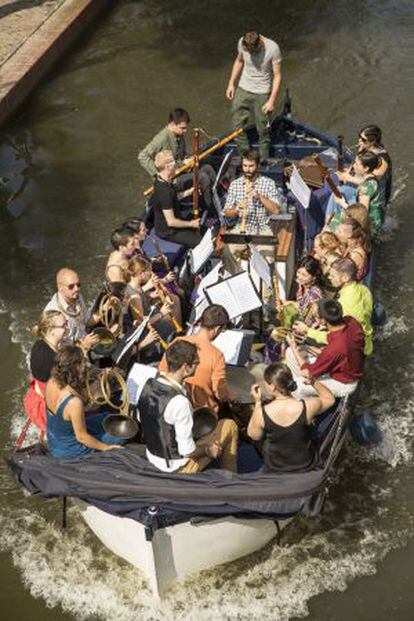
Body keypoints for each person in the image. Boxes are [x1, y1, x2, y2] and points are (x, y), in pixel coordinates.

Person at [138, 340, 238, 473]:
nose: (198, 366)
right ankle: (230, 478)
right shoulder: (179, 402)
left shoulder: (147, 384)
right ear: (186, 367)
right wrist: (208, 450)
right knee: (229, 425)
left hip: (152, 457)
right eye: (197, 363)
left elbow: (142, 418)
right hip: (176, 468)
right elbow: (187, 452)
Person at [247, 363, 335, 473]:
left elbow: (254, 435)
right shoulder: (307, 406)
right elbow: (330, 399)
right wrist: (313, 381)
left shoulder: (262, 413)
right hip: (306, 466)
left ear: (272, 386)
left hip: (276, 469)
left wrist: (257, 402)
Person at [45, 346, 124, 459]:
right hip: (69, 449)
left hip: (56, 437)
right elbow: (82, 437)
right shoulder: (74, 403)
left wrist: (100, 373)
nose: (85, 365)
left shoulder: (51, 381)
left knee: (106, 417)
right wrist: (106, 448)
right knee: (120, 436)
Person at [138, 108, 216, 211]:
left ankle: (215, 199)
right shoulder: (161, 139)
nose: (185, 131)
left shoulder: (179, 135)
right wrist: (158, 174)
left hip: (181, 171)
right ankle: (208, 211)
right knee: (202, 177)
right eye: (182, 128)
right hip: (171, 179)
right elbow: (142, 156)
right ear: (172, 124)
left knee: (208, 168)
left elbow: (182, 156)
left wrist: (189, 160)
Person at [159, 304, 231, 414]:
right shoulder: (217, 355)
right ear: (217, 329)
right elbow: (220, 395)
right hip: (202, 416)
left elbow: (162, 371)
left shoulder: (177, 341)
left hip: (170, 406)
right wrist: (231, 395)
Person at [293, 257, 373, 355]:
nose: (330, 278)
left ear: (345, 278)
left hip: (354, 349)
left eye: (333, 276)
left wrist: (308, 331)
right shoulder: (364, 289)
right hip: (367, 344)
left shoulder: (344, 305)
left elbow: (337, 337)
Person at [286, 299, 365, 398]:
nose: (315, 319)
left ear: (323, 320)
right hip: (345, 365)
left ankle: (304, 404)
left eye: (315, 317)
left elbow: (309, 371)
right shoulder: (351, 321)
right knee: (290, 353)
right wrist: (309, 346)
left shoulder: (335, 348)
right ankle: (308, 389)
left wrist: (293, 346)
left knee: (297, 386)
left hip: (344, 383)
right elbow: (335, 340)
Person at [226, 31, 282, 158]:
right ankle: (246, 155)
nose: (250, 53)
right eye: (248, 50)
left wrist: (271, 101)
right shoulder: (242, 43)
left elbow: (277, 76)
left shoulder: (273, 48)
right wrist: (231, 83)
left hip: (262, 92)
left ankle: (263, 159)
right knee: (236, 125)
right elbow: (239, 61)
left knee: (263, 129)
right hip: (243, 88)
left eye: (252, 50)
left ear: (260, 43)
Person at [24, 311, 68, 431]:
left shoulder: (41, 343)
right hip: (47, 410)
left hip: (38, 395)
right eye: (64, 325)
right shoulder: (47, 359)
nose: (67, 328)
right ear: (51, 330)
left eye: (67, 323)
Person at [331, 151, 385, 242]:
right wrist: (348, 178)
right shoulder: (372, 179)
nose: (354, 166)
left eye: (356, 164)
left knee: (335, 221)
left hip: (370, 228)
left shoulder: (365, 189)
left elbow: (361, 215)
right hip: (376, 220)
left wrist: (342, 203)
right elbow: (363, 183)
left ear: (366, 168)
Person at [151, 150, 200, 248]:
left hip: (176, 217)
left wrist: (189, 192)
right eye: (174, 163)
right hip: (169, 231)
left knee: (202, 223)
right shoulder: (164, 192)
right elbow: (171, 221)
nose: (177, 165)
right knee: (199, 242)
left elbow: (174, 198)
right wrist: (191, 224)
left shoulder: (162, 179)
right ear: (168, 167)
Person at [44, 268, 99, 348]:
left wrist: (103, 311)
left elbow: (87, 321)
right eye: (71, 286)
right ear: (60, 287)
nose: (76, 289)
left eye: (78, 285)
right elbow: (59, 351)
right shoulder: (53, 313)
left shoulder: (77, 297)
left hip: (85, 341)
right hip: (72, 354)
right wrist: (83, 345)